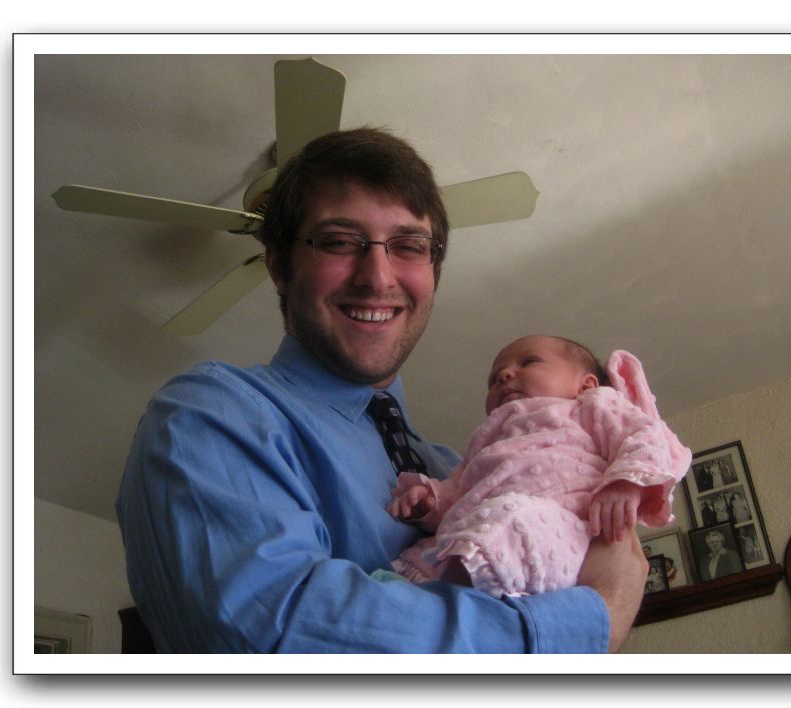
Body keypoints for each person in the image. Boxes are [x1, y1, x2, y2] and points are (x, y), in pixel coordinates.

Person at [115, 127, 650, 653]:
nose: (377, 277)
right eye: (338, 241)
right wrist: (591, 618)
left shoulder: (459, 470)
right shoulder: (210, 412)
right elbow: (267, 628)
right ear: (279, 266)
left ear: (433, 272)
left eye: (409, 246)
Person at [387, 335, 691, 597]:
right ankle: (407, 594)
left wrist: (625, 483)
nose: (504, 374)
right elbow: (461, 487)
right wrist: (431, 500)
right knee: (426, 553)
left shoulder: (592, 405)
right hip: (478, 525)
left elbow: (642, 435)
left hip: (562, 525)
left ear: (586, 385)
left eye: (529, 362)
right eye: (493, 379)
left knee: (515, 520)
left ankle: (460, 586)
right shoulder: (485, 439)